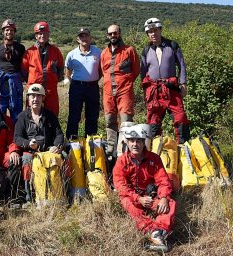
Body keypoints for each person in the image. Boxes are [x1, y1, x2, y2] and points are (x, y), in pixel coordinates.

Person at [113, 124, 176, 252]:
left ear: (144, 142)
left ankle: (160, 231)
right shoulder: (122, 161)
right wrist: (138, 198)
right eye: (132, 141)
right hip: (133, 198)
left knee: (170, 203)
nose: (135, 144)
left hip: (150, 197)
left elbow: (163, 180)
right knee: (126, 201)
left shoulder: (154, 159)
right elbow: (120, 186)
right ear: (127, 142)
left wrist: (164, 197)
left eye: (138, 141)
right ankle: (152, 230)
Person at [140, 18, 189, 144]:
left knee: (181, 118)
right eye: (150, 31)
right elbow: (143, 73)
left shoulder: (172, 45)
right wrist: (146, 92)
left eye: (155, 30)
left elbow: (181, 65)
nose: (153, 33)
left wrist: (183, 83)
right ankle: (154, 150)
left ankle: (184, 149)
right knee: (153, 121)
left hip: (171, 89)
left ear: (160, 30)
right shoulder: (146, 51)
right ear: (147, 34)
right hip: (154, 93)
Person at [14, 84, 64, 204]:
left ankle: (58, 195)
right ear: (28, 99)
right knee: (26, 163)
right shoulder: (22, 117)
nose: (35, 99)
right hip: (30, 151)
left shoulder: (50, 115)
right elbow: (17, 137)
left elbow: (59, 134)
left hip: (48, 151)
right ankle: (29, 197)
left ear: (43, 99)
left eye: (38, 96)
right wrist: (27, 143)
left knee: (60, 160)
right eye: (32, 96)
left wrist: (56, 147)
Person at [100, 24, 140, 157]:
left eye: (115, 33)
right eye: (110, 33)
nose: (113, 36)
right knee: (109, 120)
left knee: (126, 121)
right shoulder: (104, 53)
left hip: (125, 90)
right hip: (107, 91)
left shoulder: (129, 50)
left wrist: (126, 82)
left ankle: (124, 151)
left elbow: (136, 70)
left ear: (120, 34)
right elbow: (103, 71)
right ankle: (111, 149)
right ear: (107, 35)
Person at [64, 28, 102, 139]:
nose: (84, 38)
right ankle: (72, 140)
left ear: (90, 38)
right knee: (74, 115)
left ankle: (90, 141)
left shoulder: (98, 52)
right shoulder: (71, 54)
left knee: (92, 115)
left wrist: (92, 79)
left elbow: (100, 71)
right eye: (81, 36)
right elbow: (68, 73)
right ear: (77, 39)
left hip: (93, 87)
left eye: (86, 36)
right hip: (77, 86)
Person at [22, 21, 64, 116]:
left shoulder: (55, 51)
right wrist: (32, 81)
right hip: (34, 90)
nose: (42, 35)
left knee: (52, 115)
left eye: (45, 33)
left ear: (48, 34)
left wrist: (55, 80)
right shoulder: (29, 52)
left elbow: (60, 68)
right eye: (40, 33)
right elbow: (24, 71)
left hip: (50, 90)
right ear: (36, 35)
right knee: (32, 115)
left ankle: (51, 131)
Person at [0, 19, 25, 122]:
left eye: (11, 30)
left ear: (14, 32)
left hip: (16, 82)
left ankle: (16, 135)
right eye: (7, 30)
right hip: (1, 83)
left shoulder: (20, 48)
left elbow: (23, 65)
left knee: (16, 110)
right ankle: (0, 135)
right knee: (0, 109)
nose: (9, 32)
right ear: (3, 32)